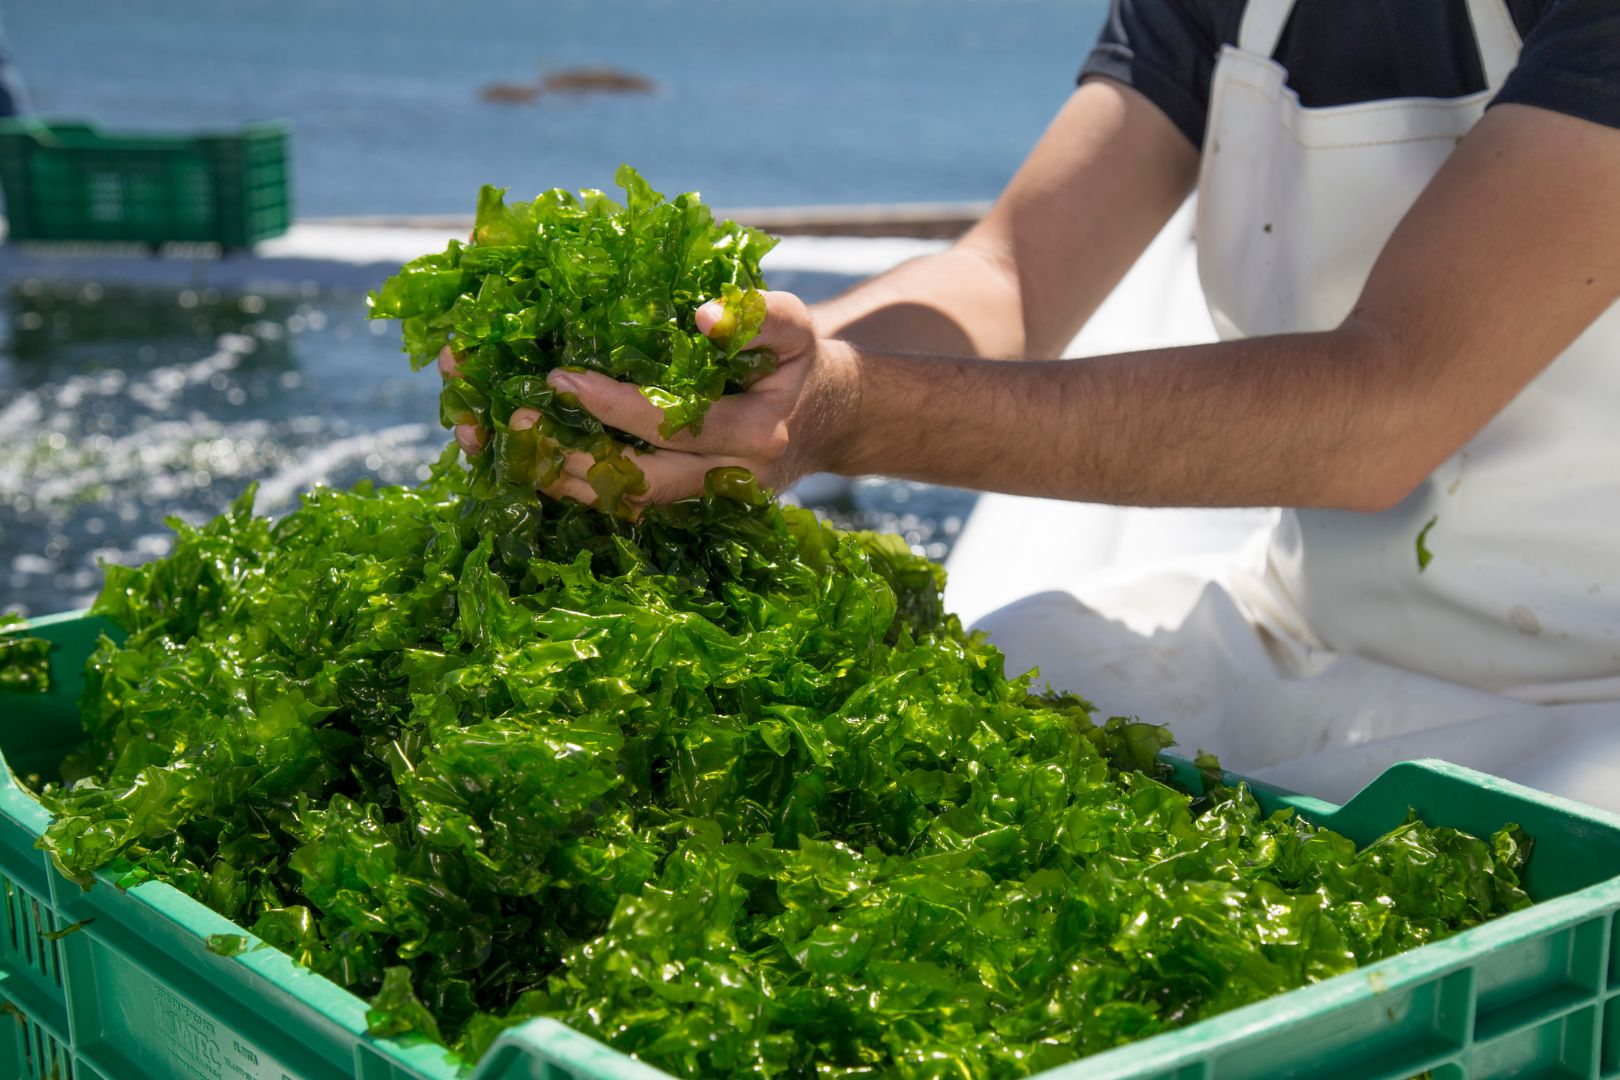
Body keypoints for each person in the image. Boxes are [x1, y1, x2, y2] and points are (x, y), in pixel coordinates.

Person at [449, 0, 1620, 808]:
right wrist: (690, 378)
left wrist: (844, 412)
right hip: (1316, 633)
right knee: (925, 724)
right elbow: (1009, 278)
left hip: (1592, 696)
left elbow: (1388, 405)